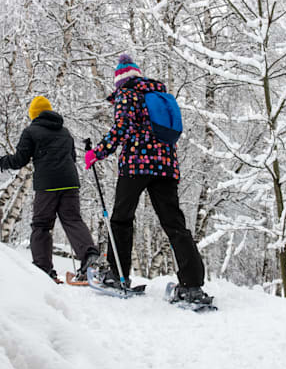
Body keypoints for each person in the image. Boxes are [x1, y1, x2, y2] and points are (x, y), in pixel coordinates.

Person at [84, 54, 212, 305]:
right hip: (166, 167)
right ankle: (192, 284)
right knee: (175, 224)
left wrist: (96, 153)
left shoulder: (127, 94)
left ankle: (117, 275)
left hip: (136, 165)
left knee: (121, 219)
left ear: (119, 80)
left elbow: (120, 128)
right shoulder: (158, 94)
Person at [0, 95, 100, 284]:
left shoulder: (31, 132)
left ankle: (43, 269)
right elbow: (72, 157)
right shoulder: (65, 132)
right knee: (72, 219)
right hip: (70, 182)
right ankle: (89, 256)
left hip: (47, 185)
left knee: (41, 225)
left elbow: (18, 161)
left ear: (34, 114)